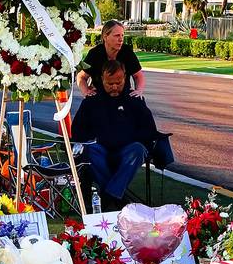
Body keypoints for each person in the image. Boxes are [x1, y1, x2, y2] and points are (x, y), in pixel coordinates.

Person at [70, 59, 173, 206]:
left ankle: (110, 195)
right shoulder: (91, 101)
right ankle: (118, 198)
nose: (114, 87)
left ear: (125, 78)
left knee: (138, 149)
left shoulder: (134, 100)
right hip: (101, 149)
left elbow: (149, 130)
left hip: (127, 150)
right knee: (89, 150)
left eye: (118, 83)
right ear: (102, 80)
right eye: (110, 83)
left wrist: (130, 138)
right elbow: (78, 131)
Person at [76, 20, 146, 98]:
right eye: (117, 35)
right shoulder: (95, 53)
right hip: (99, 96)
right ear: (105, 37)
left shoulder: (127, 52)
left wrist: (138, 91)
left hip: (124, 95)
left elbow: (138, 76)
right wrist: (86, 92)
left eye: (122, 35)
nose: (121, 39)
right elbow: (81, 77)